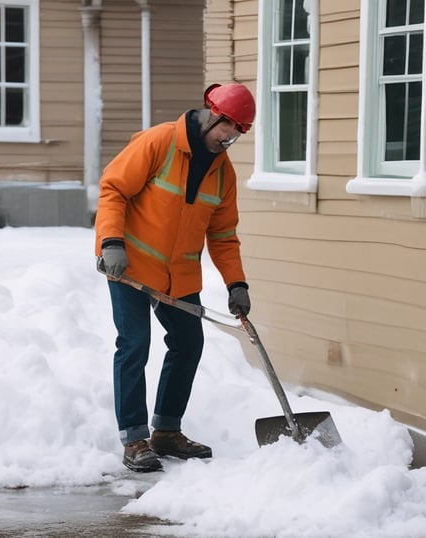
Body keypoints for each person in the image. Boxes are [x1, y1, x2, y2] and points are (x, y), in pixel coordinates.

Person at [94, 83, 254, 472]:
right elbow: (113, 188)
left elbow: (222, 235)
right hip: (130, 265)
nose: (229, 139)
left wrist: (237, 284)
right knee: (134, 344)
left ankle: (166, 431)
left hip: (179, 274)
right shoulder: (160, 142)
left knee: (188, 342)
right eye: (227, 128)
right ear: (210, 114)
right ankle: (134, 439)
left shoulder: (223, 174)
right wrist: (111, 242)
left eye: (238, 133)